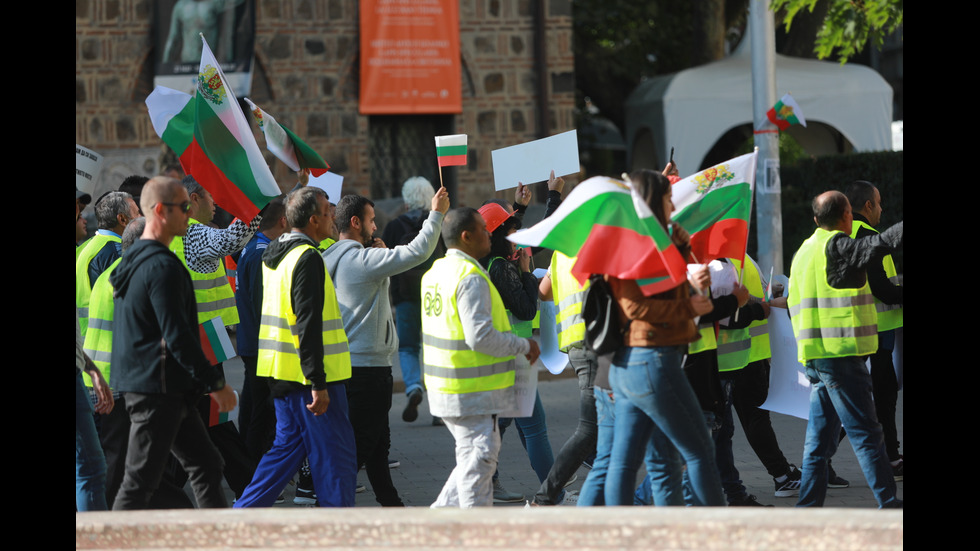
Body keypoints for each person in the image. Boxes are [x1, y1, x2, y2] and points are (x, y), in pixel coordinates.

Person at [110, 177, 237, 510]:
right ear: (158, 211)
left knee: (207, 465)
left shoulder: (137, 259)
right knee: (138, 484)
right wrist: (216, 384)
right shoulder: (160, 266)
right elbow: (178, 334)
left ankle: (214, 539)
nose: (189, 213)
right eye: (182, 207)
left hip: (164, 387)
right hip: (156, 389)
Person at [602, 169, 724, 507]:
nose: (673, 204)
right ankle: (722, 533)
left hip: (639, 363)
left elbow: (664, 289)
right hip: (651, 361)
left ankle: (649, 534)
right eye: (669, 198)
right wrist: (689, 305)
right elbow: (635, 307)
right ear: (655, 202)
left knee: (657, 462)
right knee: (699, 450)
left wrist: (684, 250)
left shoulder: (652, 241)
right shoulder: (636, 244)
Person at [323, 188, 449, 506]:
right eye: (371, 221)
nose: (375, 227)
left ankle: (392, 506)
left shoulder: (328, 257)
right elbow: (418, 252)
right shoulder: (363, 260)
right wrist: (436, 214)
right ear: (355, 222)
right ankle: (325, 511)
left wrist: (378, 253)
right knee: (360, 449)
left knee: (377, 447)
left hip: (348, 366)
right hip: (368, 370)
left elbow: (371, 288)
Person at [234, 187, 357, 508]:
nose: (333, 218)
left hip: (283, 374)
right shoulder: (307, 257)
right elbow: (307, 323)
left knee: (284, 453)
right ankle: (340, 530)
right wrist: (318, 382)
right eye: (329, 212)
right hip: (312, 381)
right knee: (336, 460)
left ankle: (240, 516)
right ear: (314, 220)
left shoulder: (276, 252)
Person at [789, 191, 903, 508]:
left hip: (815, 358)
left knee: (819, 440)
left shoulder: (803, 251)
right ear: (847, 215)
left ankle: (807, 507)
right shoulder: (837, 246)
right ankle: (889, 503)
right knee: (866, 432)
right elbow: (876, 246)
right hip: (840, 356)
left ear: (815, 219)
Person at [423, 208, 541, 508]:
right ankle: (474, 534)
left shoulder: (435, 273)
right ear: (466, 236)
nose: (489, 233)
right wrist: (523, 345)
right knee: (480, 461)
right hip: (470, 392)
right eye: (482, 229)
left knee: (471, 461)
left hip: (447, 387)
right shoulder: (470, 277)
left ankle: (434, 526)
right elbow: (481, 337)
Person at [477, 201, 557, 503]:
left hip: (510, 355)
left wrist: (524, 206)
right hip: (513, 356)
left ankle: (491, 480)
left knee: (506, 424)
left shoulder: (494, 261)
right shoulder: (501, 266)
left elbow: (533, 233)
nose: (518, 236)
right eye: (513, 229)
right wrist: (526, 272)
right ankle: (555, 493)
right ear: (499, 235)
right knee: (535, 428)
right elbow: (525, 309)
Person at [845, 180, 904, 480]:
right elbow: (881, 287)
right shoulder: (870, 237)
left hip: (852, 328)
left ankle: (891, 456)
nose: (882, 208)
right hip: (877, 330)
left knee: (859, 396)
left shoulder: (840, 235)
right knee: (882, 395)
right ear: (867, 206)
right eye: (879, 203)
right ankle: (891, 459)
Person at [532, 250, 598, 505]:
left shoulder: (561, 251)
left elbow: (544, 291)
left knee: (606, 427)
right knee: (590, 430)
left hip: (575, 342)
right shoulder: (599, 243)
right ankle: (545, 497)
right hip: (595, 342)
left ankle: (604, 498)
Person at [381, 176, 444, 423]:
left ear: (406, 200)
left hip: (405, 296)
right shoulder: (436, 222)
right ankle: (438, 408)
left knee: (408, 347)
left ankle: (413, 387)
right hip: (435, 297)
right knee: (435, 349)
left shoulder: (395, 227)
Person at [235, 197, 288, 463]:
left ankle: (249, 464)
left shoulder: (257, 246)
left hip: (254, 343)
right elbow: (261, 305)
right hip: (259, 346)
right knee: (261, 413)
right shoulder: (260, 253)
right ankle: (254, 469)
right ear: (283, 221)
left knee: (254, 408)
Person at [76, 187, 114, 512]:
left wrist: (90, 368)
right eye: (79, 211)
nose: (83, 217)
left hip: (83, 369)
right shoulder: (102, 252)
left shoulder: (82, 252)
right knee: (90, 468)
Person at [76, 190, 140, 335]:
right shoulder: (118, 251)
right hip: (108, 340)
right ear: (122, 219)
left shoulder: (86, 247)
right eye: (137, 213)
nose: (142, 218)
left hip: (86, 338)